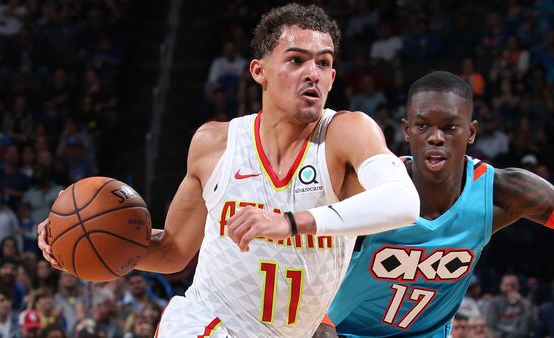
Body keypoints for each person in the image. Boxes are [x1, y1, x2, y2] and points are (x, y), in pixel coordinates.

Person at [38, 4, 420, 337]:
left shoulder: (345, 133)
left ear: (333, 77)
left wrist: (290, 222)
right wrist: (86, 245)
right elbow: (172, 251)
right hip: (206, 323)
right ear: (260, 70)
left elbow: (403, 202)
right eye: (296, 59)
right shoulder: (214, 144)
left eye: (324, 62)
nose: (313, 73)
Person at [314, 71, 554, 337]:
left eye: (450, 127)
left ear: (471, 132)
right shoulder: (369, 188)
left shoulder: (502, 191)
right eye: (422, 126)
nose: (436, 137)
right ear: (407, 130)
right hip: (342, 330)